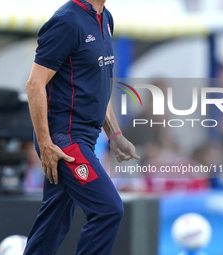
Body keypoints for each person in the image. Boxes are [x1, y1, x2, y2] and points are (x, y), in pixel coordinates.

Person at [24, 0, 139, 254]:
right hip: (64, 139)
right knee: (108, 210)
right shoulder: (67, 21)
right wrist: (46, 145)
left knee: (54, 222)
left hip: (84, 138)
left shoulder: (105, 17)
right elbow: (34, 84)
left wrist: (115, 134)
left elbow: (97, 84)